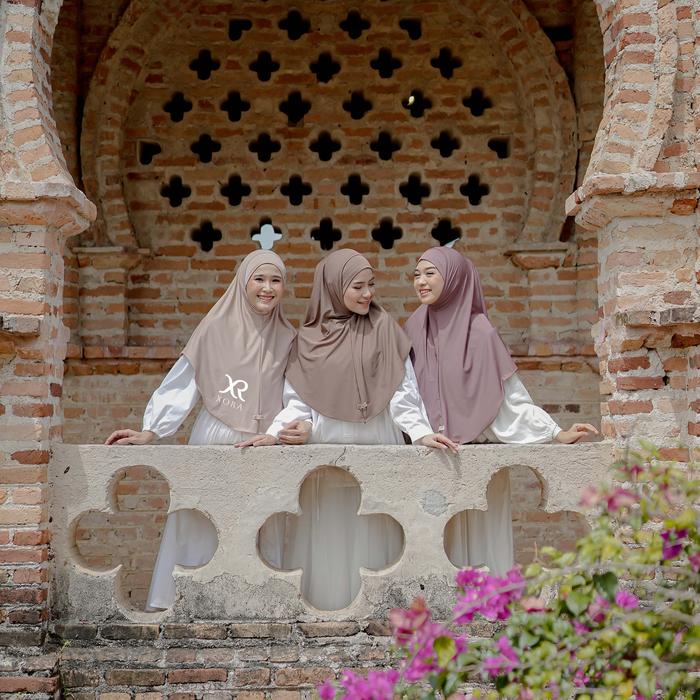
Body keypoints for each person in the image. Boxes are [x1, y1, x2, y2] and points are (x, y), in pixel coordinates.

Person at [237, 248, 457, 610]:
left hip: (380, 449)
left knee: (378, 537)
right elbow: (298, 401)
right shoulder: (308, 339)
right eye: (357, 287)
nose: (368, 294)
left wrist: (420, 432)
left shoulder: (385, 328)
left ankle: (384, 618)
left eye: (371, 285)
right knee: (331, 539)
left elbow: (403, 394)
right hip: (326, 457)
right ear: (333, 287)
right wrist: (281, 432)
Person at [105, 249, 304, 610]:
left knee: (261, 527)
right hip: (216, 437)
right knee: (201, 523)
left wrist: (280, 432)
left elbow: (294, 397)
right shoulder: (214, 329)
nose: (267, 288)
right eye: (259, 279)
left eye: (276, 280)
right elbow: (184, 383)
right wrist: (151, 430)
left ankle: (255, 608)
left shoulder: (289, 338)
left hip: (264, 445)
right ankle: (188, 604)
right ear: (243, 283)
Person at [404, 246, 598, 574]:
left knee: (483, 558)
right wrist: (420, 432)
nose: (420, 282)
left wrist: (556, 433)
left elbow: (510, 401)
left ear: (453, 279)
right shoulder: (413, 328)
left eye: (430, 274)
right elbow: (404, 393)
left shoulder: (481, 332)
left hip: (477, 469)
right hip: (430, 461)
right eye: (416, 275)